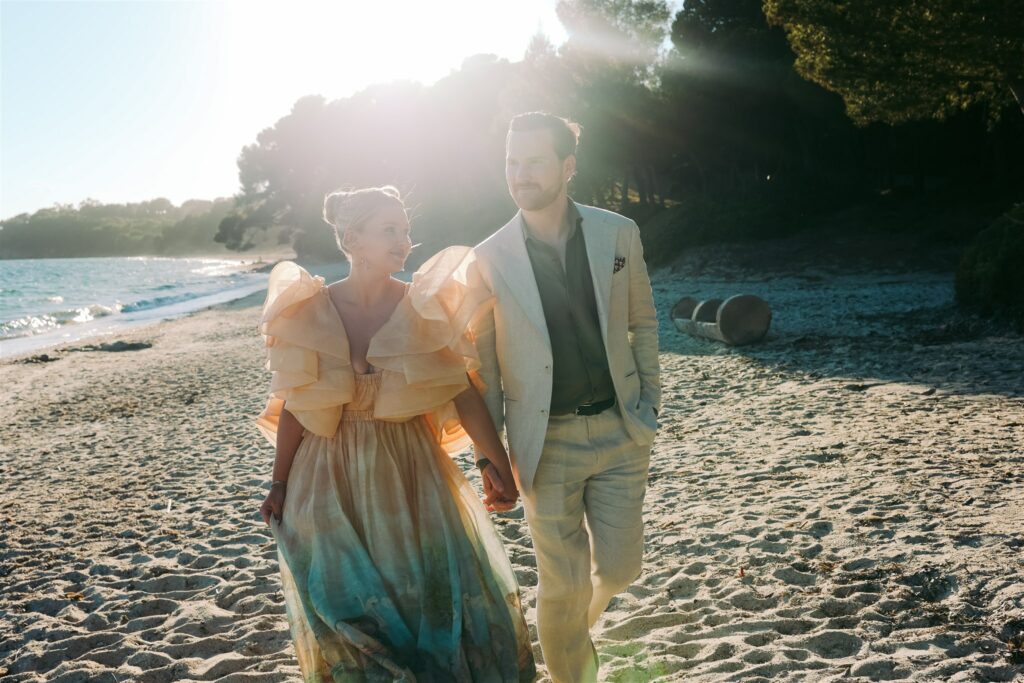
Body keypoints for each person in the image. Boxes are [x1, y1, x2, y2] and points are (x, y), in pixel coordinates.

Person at [256, 185, 536, 681]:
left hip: (409, 469)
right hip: (327, 474)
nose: (404, 241)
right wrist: (278, 483)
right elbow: (296, 405)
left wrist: (496, 463)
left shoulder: (422, 307)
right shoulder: (308, 309)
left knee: (425, 595)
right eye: (390, 230)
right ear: (352, 238)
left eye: (406, 230)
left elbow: (464, 394)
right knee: (344, 606)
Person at [471, 113, 661, 683]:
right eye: (511, 161)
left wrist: (649, 401)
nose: (519, 174)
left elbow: (642, 322)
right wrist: (493, 458)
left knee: (624, 568)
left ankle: (581, 630)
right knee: (561, 583)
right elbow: (483, 371)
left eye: (533, 161)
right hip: (543, 442)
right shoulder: (487, 256)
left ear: (568, 166)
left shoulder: (618, 233)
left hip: (622, 429)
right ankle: (572, 672)